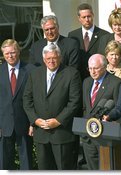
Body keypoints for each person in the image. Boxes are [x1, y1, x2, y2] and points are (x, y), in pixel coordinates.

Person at [23, 44, 82, 170]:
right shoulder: (35, 74)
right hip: (41, 133)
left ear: (60, 57)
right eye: (48, 58)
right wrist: (35, 120)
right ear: (44, 59)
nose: (51, 61)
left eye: (54, 58)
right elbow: (27, 99)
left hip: (62, 133)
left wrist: (58, 121)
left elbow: (74, 102)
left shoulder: (71, 74)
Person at [82, 54, 121, 170]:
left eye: (96, 68)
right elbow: (85, 107)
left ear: (104, 67)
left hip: (105, 136)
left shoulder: (116, 83)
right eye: (90, 68)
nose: (92, 71)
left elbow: (119, 109)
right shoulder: (86, 82)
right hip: (89, 136)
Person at [0, 39, 34, 170]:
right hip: (4, 125)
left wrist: (32, 123)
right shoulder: (0, 71)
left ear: (19, 51)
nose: (10, 56)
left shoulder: (30, 70)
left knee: (26, 162)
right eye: (7, 54)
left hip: (24, 123)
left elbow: (34, 98)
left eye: (13, 52)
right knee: (3, 162)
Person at [68, 3, 109, 80]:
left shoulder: (104, 35)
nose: (87, 19)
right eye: (84, 17)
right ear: (79, 18)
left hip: (98, 77)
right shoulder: (72, 35)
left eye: (89, 16)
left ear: (93, 15)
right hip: (78, 78)